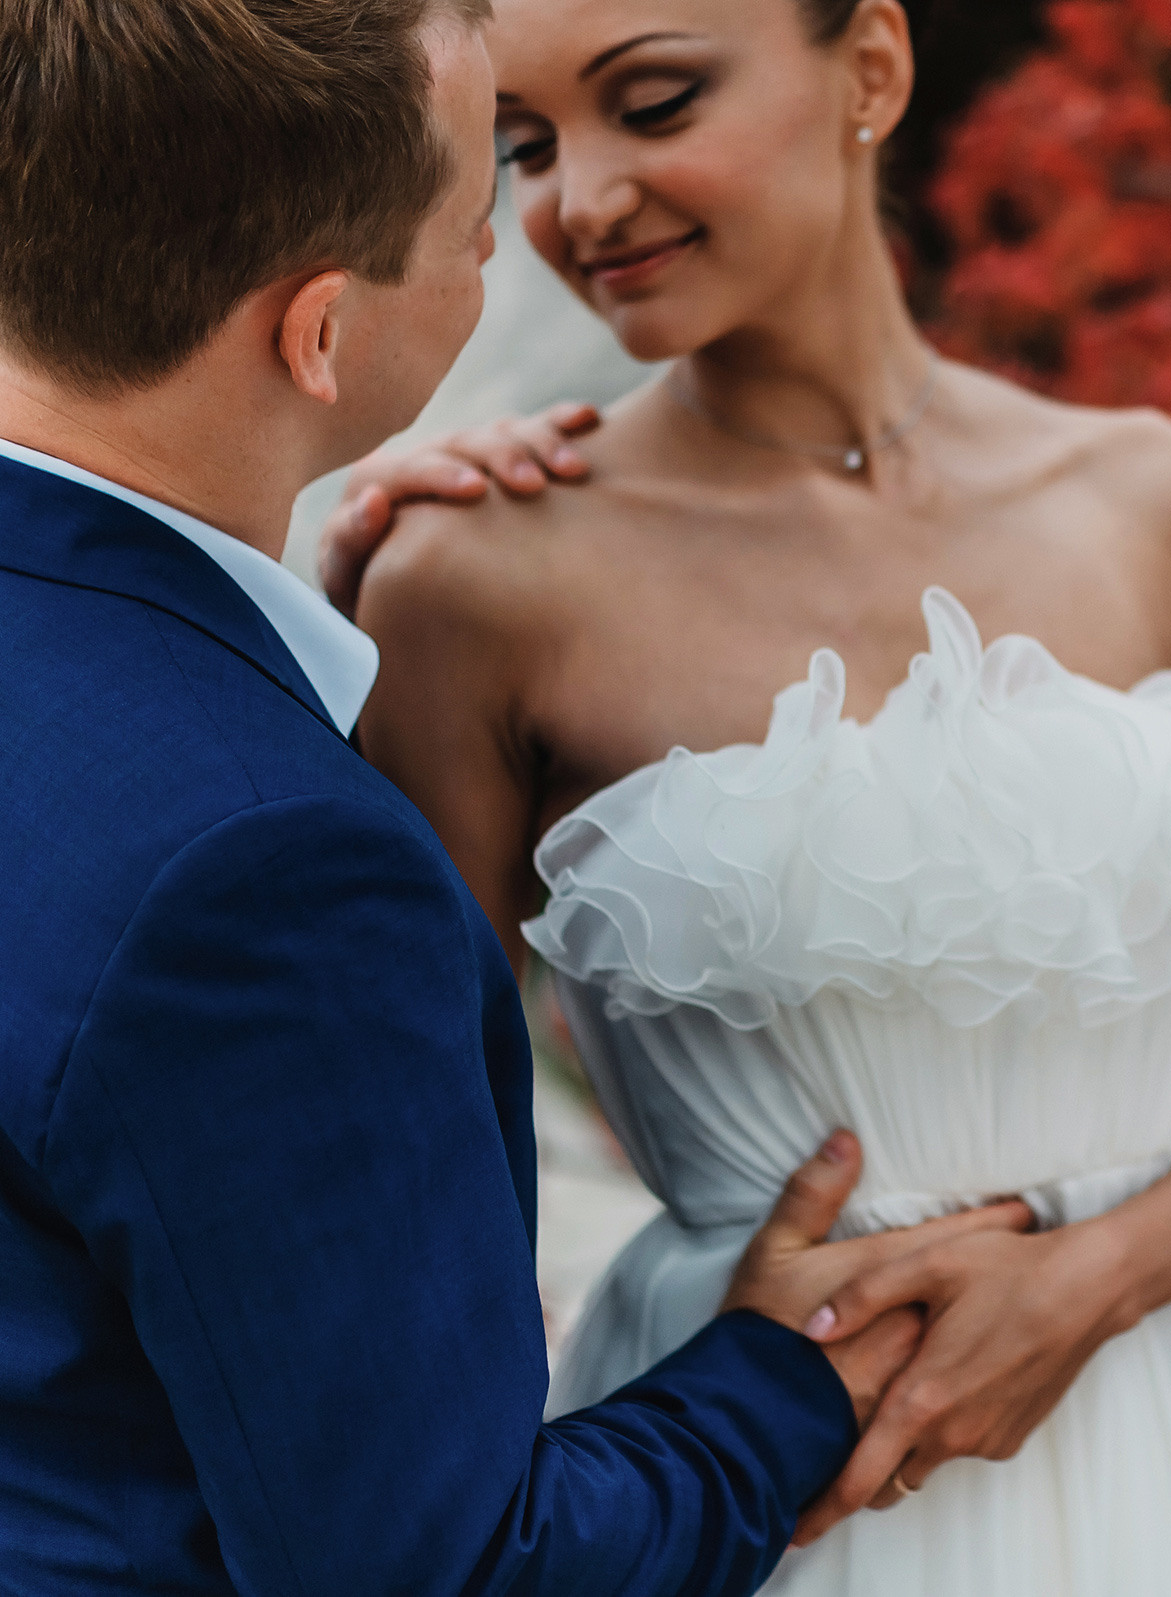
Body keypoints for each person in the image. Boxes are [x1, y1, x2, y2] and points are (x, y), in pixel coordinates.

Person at [319, 0, 1171, 1591]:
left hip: (1116, 1447)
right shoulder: (473, 579)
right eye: (527, 148)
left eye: (656, 102)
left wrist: (1083, 1285)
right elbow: (399, 1182)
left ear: (871, 69)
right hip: (745, 1482)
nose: (580, 201)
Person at [0, 3, 1026, 1593]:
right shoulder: (262, 866)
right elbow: (454, 1570)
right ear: (323, 333)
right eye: (479, 208)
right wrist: (785, 1377)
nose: (529, 237)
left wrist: (287, 640)